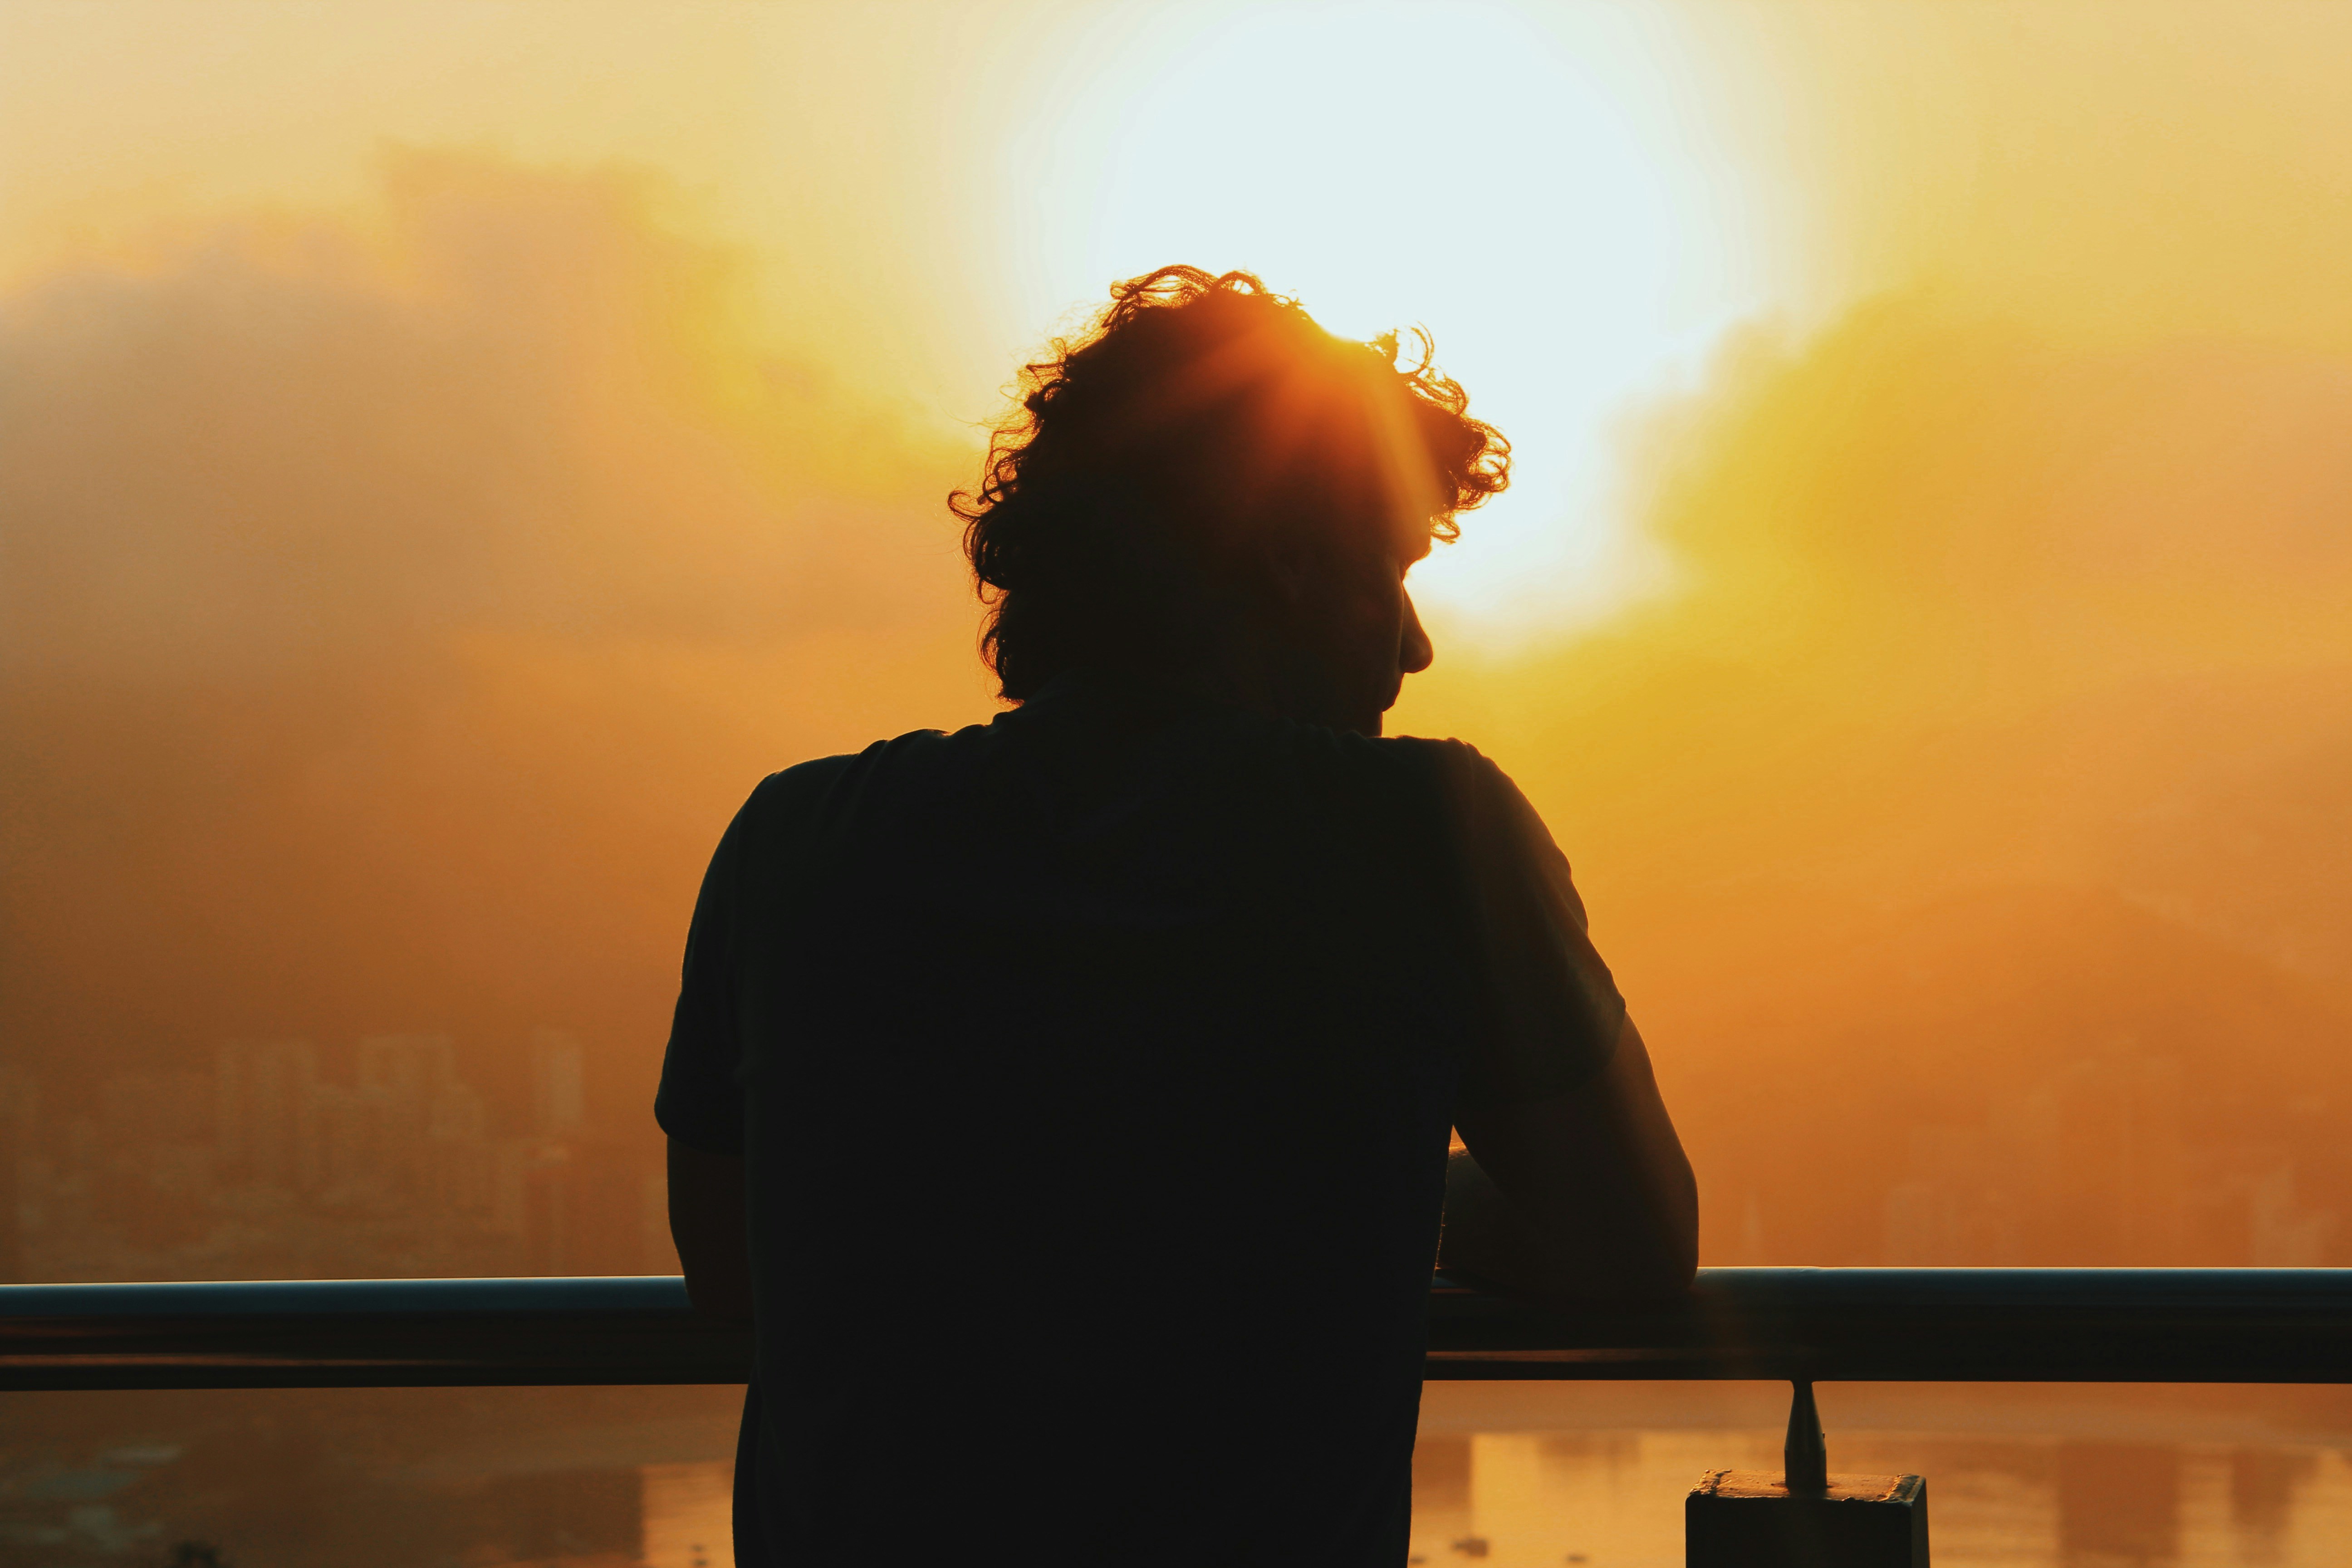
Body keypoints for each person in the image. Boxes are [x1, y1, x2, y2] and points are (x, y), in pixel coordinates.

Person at [656, 266, 1697, 1568]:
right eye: (1392, 568)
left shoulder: (796, 846)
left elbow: (737, 1272)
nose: (1417, 648)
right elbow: (1635, 1236)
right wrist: (1346, 1181)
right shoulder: (1426, 833)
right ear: (1290, 558)